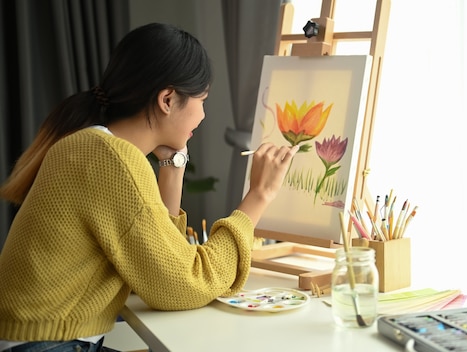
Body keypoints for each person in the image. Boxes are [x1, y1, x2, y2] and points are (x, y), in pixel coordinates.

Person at [0, 22, 298, 351]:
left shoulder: (95, 146)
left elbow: (158, 264)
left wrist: (172, 167)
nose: (203, 115)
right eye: (202, 100)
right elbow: (186, 283)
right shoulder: (110, 158)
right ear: (168, 99)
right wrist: (259, 196)